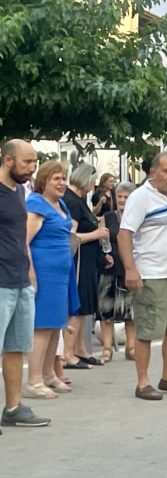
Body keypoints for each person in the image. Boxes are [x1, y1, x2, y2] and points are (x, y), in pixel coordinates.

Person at [117, 151, 167, 401]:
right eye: (166, 171)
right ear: (153, 172)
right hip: (151, 273)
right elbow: (124, 234)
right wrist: (130, 269)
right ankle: (143, 383)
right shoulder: (141, 197)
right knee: (147, 329)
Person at [0, 140, 49, 428]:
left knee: (16, 347)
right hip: (1, 281)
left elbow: (20, 236)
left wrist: (29, 271)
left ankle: (13, 407)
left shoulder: (20, 190)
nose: (32, 169)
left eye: (34, 162)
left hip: (19, 279)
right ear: (8, 161)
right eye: (27, 163)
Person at [24, 161, 76, 399]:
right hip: (44, 273)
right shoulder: (36, 204)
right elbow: (23, 241)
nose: (62, 183)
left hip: (61, 274)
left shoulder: (60, 203)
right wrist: (31, 273)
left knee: (56, 325)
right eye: (57, 178)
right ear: (43, 181)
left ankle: (48, 374)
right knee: (42, 326)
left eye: (64, 178)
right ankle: (34, 381)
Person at [63, 163, 109, 367]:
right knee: (79, 305)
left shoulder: (80, 200)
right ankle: (68, 352)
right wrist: (96, 234)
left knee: (86, 305)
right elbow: (71, 236)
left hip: (89, 259)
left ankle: (80, 348)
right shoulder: (72, 202)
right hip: (79, 259)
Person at [96, 181, 137, 362]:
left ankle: (131, 347)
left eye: (126, 197)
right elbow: (103, 238)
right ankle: (107, 349)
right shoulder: (108, 216)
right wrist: (106, 253)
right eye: (119, 196)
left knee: (131, 312)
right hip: (110, 266)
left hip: (130, 267)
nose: (122, 200)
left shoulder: (137, 217)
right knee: (106, 311)